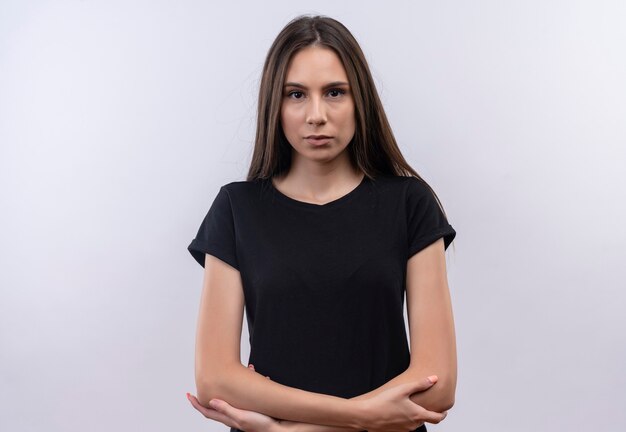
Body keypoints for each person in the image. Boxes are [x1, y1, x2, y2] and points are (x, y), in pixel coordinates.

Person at [186, 14, 457, 432]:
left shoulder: (409, 203)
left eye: (334, 92)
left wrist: (286, 430)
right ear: (274, 104)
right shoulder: (236, 210)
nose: (316, 115)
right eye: (296, 94)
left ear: (359, 100)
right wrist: (364, 416)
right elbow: (214, 379)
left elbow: (436, 387)